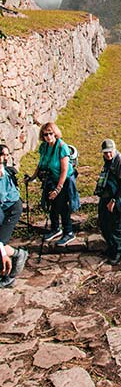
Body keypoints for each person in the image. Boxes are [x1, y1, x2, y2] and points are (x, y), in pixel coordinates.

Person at [26, 122, 79, 246]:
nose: (48, 136)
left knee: (62, 206)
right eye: (45, 134)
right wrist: (32, 177)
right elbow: (41, 164)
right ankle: (55, 229)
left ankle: (69, 232)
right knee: (52, 205)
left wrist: (57, 189)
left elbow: (64, 170)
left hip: (63, 181)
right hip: (50, 179)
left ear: (55, 133)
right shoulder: (44, 147)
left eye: (51, 133)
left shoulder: (62, 147)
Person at [95, 139, 121, 265]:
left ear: (114, 150)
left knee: (117, 224)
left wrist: (114, 200)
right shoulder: (107, 161)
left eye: (110, 152)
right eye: (105, 153)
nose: (108, 155)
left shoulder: (119, 160)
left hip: (117, 197)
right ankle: (111, 247)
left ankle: (120, 251)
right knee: (104, 222)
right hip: (106, 194)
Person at [0, 144, 28, 287]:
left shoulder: (2, 175)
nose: (6, 158)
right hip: (5, 207)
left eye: (6, 155)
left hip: (12, 208)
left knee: (0, 243)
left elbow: (1, 197)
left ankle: (17, 258)